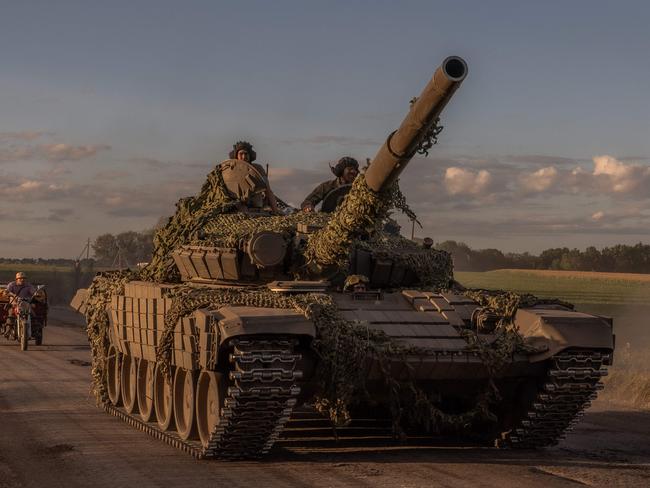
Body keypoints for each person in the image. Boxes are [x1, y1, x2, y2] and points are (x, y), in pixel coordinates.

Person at [227, 140, 281, 214]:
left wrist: (275, 211)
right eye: (241, 154)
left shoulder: (257, 169)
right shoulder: (230, 170)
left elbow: (268, 191)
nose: (244, 157)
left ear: (250, 155)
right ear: (236, 155)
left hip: (255, 208)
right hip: (238, 207)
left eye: (246, 154)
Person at [4, 272, 36, 338]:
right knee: (11, 316)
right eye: (20, 278)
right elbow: (6, 292)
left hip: (26, 304)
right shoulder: (12, 285)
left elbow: (33, 292)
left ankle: (34, 331)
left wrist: (36, 294)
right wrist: (7, 293)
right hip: (14, 304)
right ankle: (8, 331)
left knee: (33, 315)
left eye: (24, 278)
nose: (22, 280)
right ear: (16, 279)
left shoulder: (28, 285)